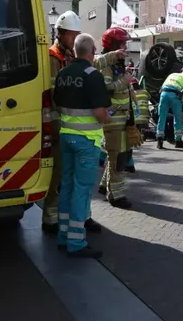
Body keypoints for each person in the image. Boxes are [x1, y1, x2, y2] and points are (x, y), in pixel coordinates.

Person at [54, 33, 112, 258]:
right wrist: (108, 116)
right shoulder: (92, 75)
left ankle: (63, 236)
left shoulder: (63, 73)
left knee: (67, 186)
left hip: (65, 137)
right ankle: (76, 242)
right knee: (82, 190)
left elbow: (58, 104)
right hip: (86, 141)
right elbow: (99, 113)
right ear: (92, 51)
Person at [94, 27, 141, 208]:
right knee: (118, 157)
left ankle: (104, 186)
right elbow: (106, 87)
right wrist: (124, 81)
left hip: (123, 118)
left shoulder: (117, 65)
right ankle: (116, 196)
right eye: (122, 43)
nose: (125, 47)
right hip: (114, 120)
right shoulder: (105, 66)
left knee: (118, 155)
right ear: (112, 44)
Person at [156, 67, 183, 150]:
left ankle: (159, 141)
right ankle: (178, 141)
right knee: (177, 118)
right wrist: (182, 101)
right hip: (174, 96)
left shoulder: (172, 74)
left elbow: (162, 87)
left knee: (162, 117)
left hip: (163, 94)